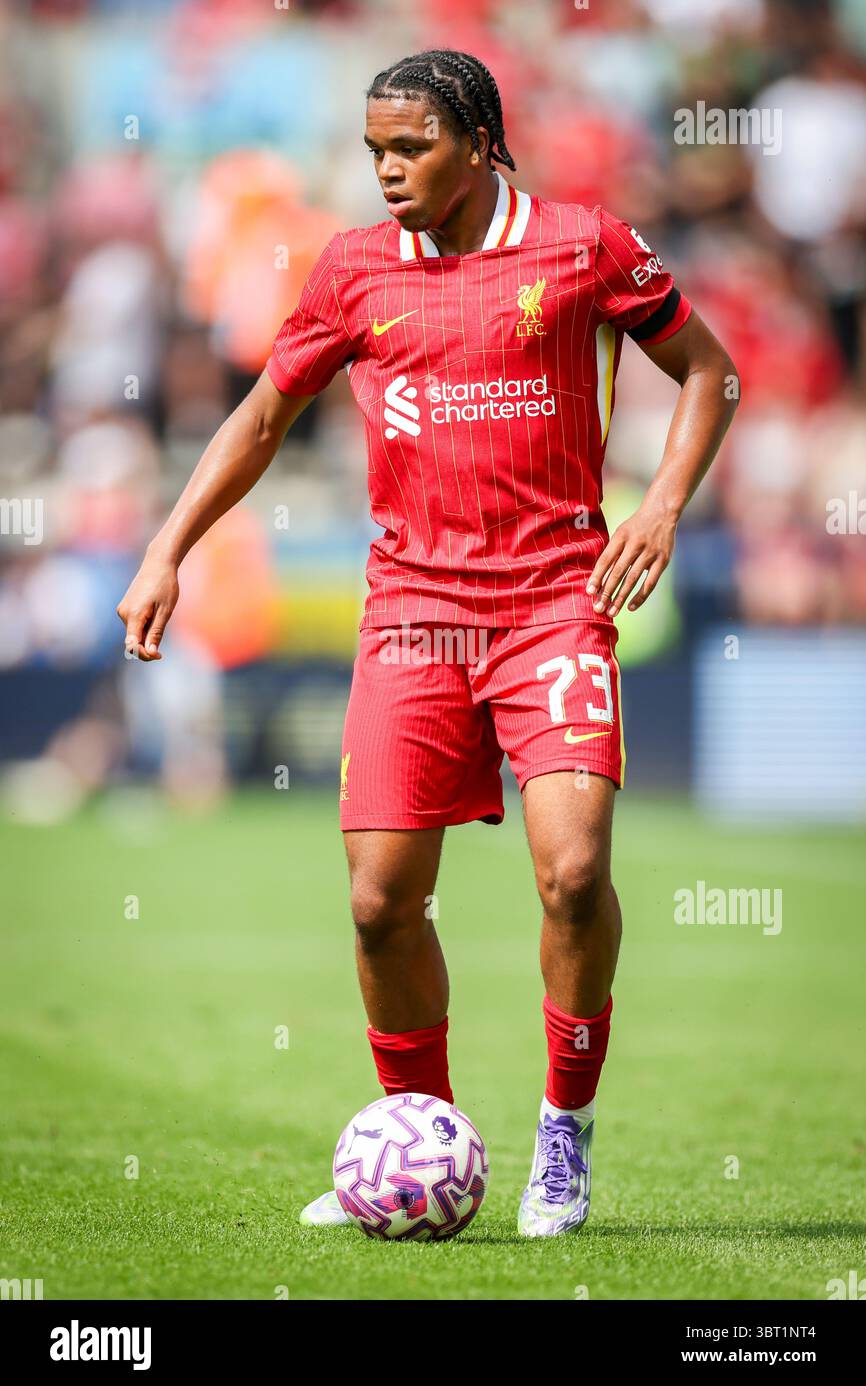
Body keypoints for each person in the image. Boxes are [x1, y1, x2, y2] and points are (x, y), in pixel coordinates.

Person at [116, 49, 738, 1238]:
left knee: (569, 870)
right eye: (373, 153)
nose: (388, 171)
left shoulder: (581, 244)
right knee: (376, 904)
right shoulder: (353, 269)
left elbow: (706, 371)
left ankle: (564, 1132)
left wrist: (657, 507)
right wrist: (167, 550)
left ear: (478, 141)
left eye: (409, 148)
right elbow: (260, 418)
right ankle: (419, 1135)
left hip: (554, 597)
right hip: (410, 611)